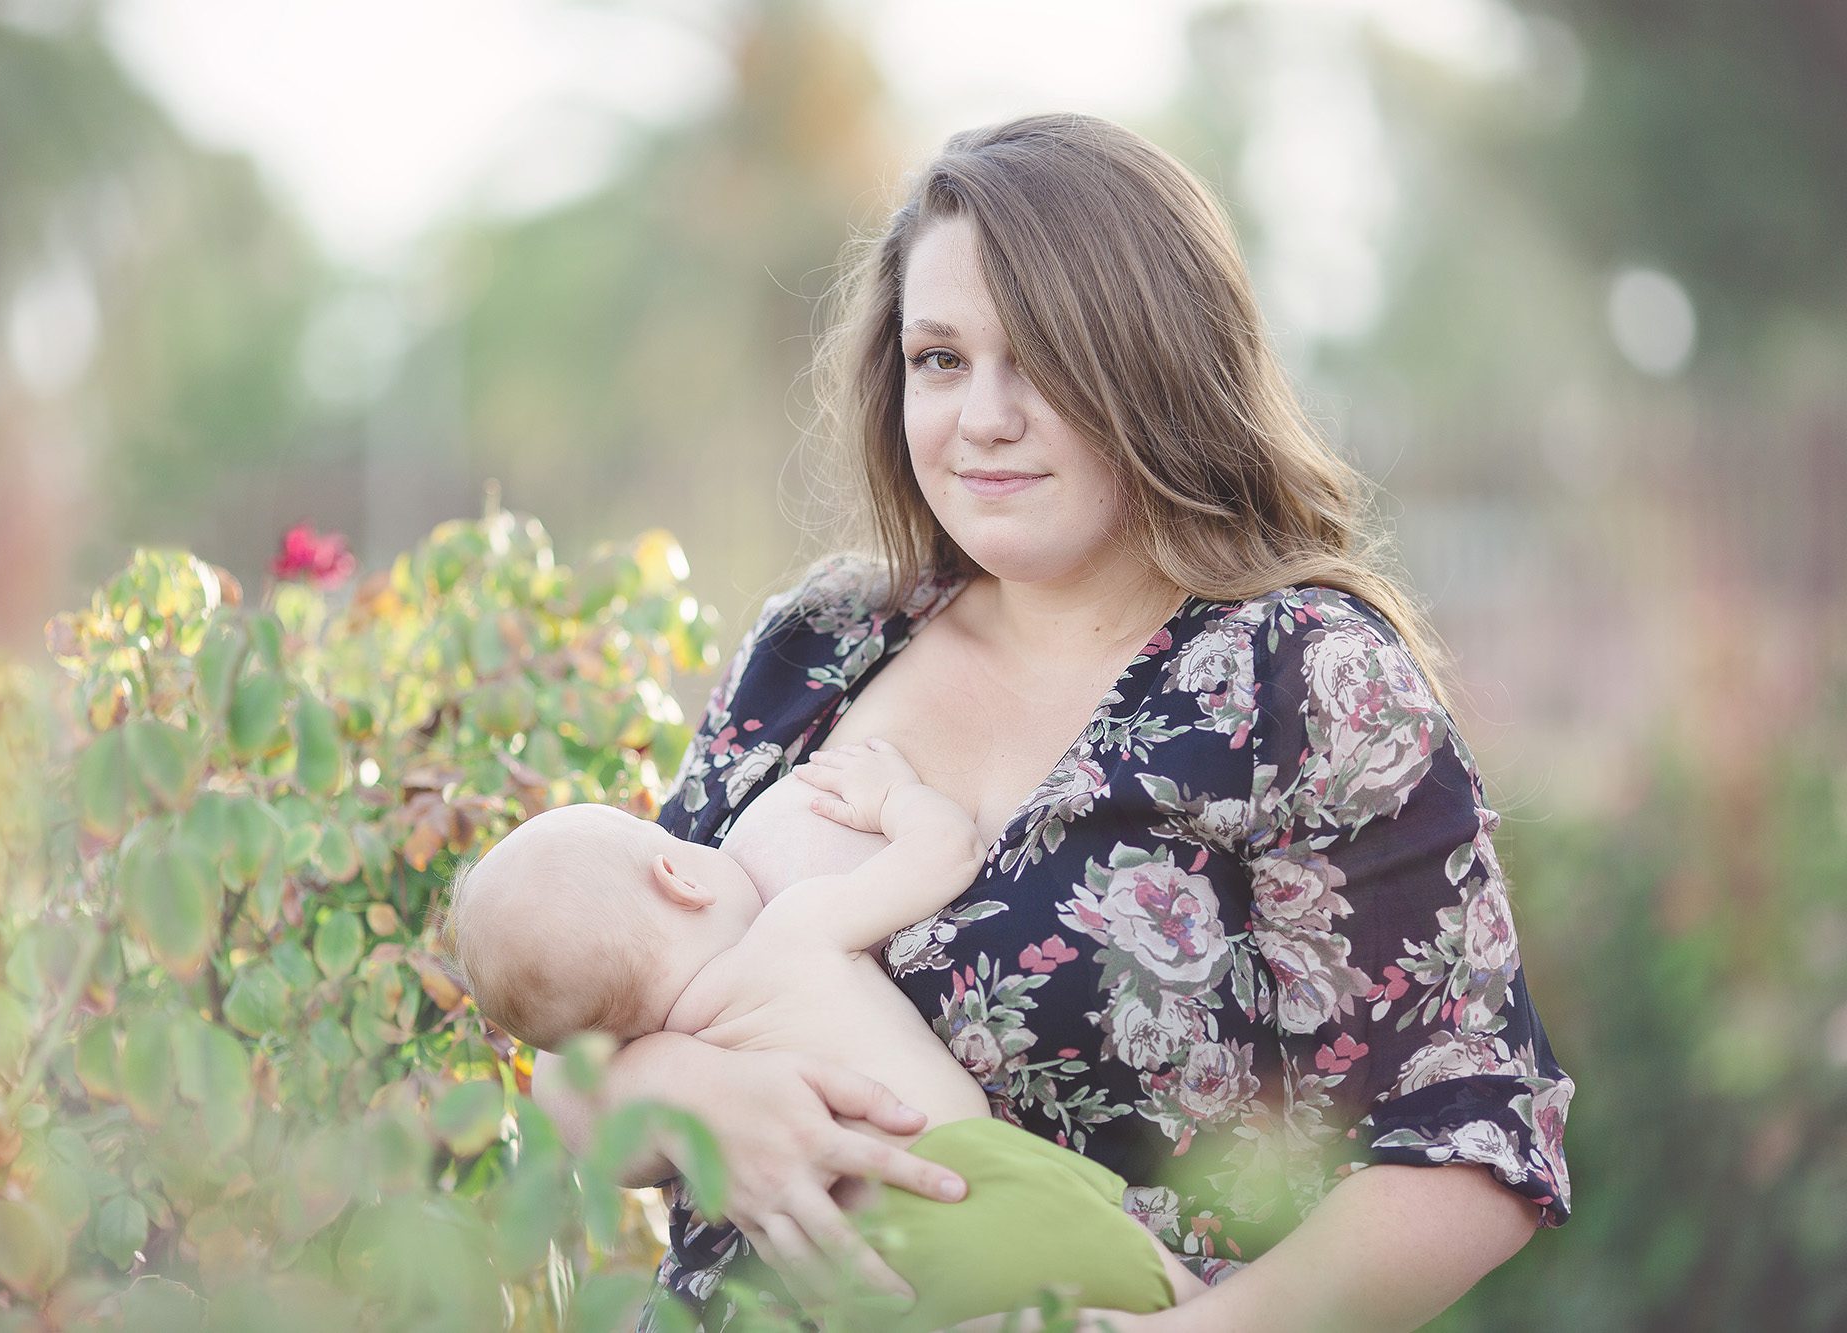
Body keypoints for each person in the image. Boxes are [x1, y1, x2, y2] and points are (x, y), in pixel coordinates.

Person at [533, 112, 1574, 1332]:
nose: (983, 416)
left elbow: (1468, 1134)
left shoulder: (1295, 681)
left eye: (1040, 358)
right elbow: (584, 1049)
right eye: (939, 359)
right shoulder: (815, 647)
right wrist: (685, 1101)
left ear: (1155, 367)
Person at [446, 741, 1193, 1328]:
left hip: (849, 1274)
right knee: (1170, 1292)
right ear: (681, 877)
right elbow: (947, 853)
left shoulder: (675, 1064)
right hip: (967, 1180)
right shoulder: (790, 932)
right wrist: (895, 796)